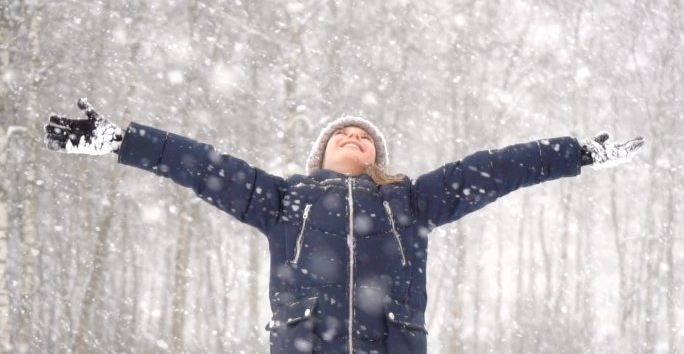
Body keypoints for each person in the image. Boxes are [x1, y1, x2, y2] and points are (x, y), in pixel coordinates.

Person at [43, 98, 644, 354]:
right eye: (342, 134)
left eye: (365, 137)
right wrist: (119, 140)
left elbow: (494, 170)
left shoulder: (412, 202)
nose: (354, 137)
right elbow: (201, 165)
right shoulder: (282, 201)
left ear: (377, 158)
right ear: (321, 153)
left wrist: (578, 153)